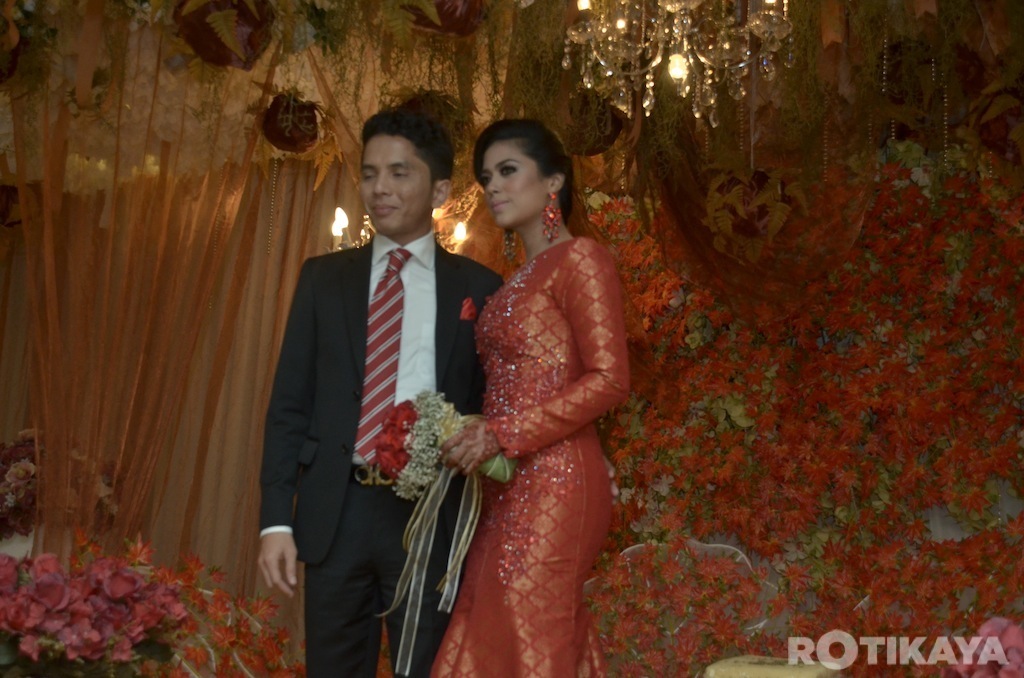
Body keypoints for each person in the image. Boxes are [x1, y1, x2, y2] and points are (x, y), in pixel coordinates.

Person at [258, 108, 503, 678]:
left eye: (399, 173)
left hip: (428, 516)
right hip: (335, 512)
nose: (380, 188)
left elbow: (492, 406)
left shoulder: (478, 287)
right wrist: (275, 522)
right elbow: (289, 407)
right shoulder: (323, 279)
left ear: (439, 190)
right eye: (369, 174)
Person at [434, 119, 630, 676]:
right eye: (486, 177)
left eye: (507, 171)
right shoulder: (515, 278)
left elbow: (611, 379)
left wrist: (501, 434)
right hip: (503, 482)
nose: (492, 186)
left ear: (553, 182)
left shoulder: (581, 259)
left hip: (558, 482)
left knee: (530, 631)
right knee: (496, 630)